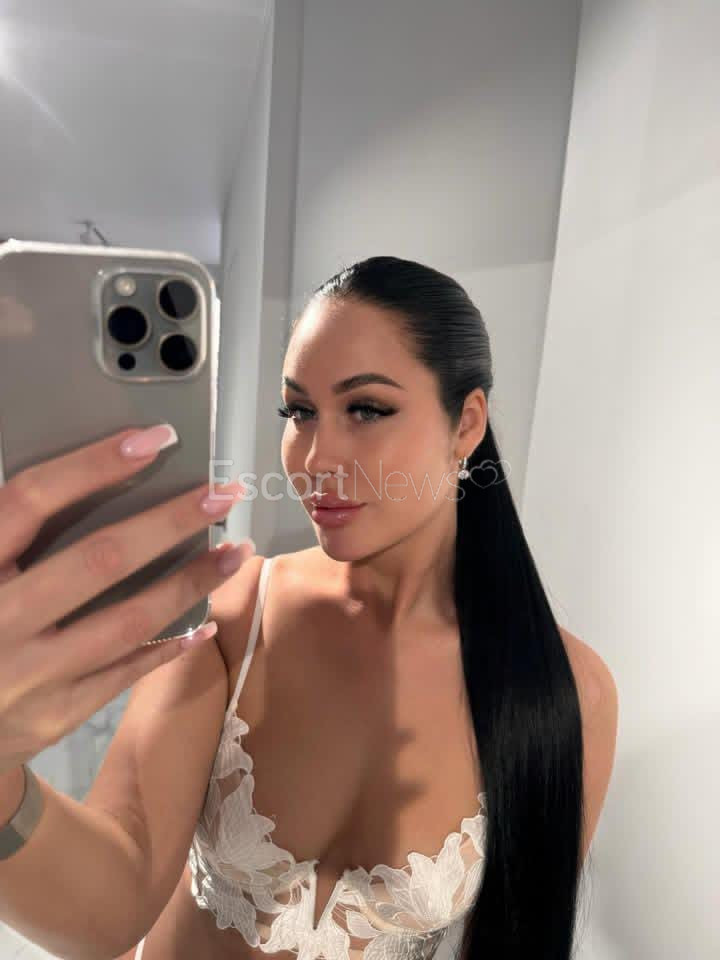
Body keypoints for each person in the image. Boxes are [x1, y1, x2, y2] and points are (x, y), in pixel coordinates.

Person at [0, 256, 618, 960]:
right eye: (298, 411)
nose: (316, 458)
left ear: (466, 425)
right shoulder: (234, 616)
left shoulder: (568, 693)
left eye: (366, 409)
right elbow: (110, 906)